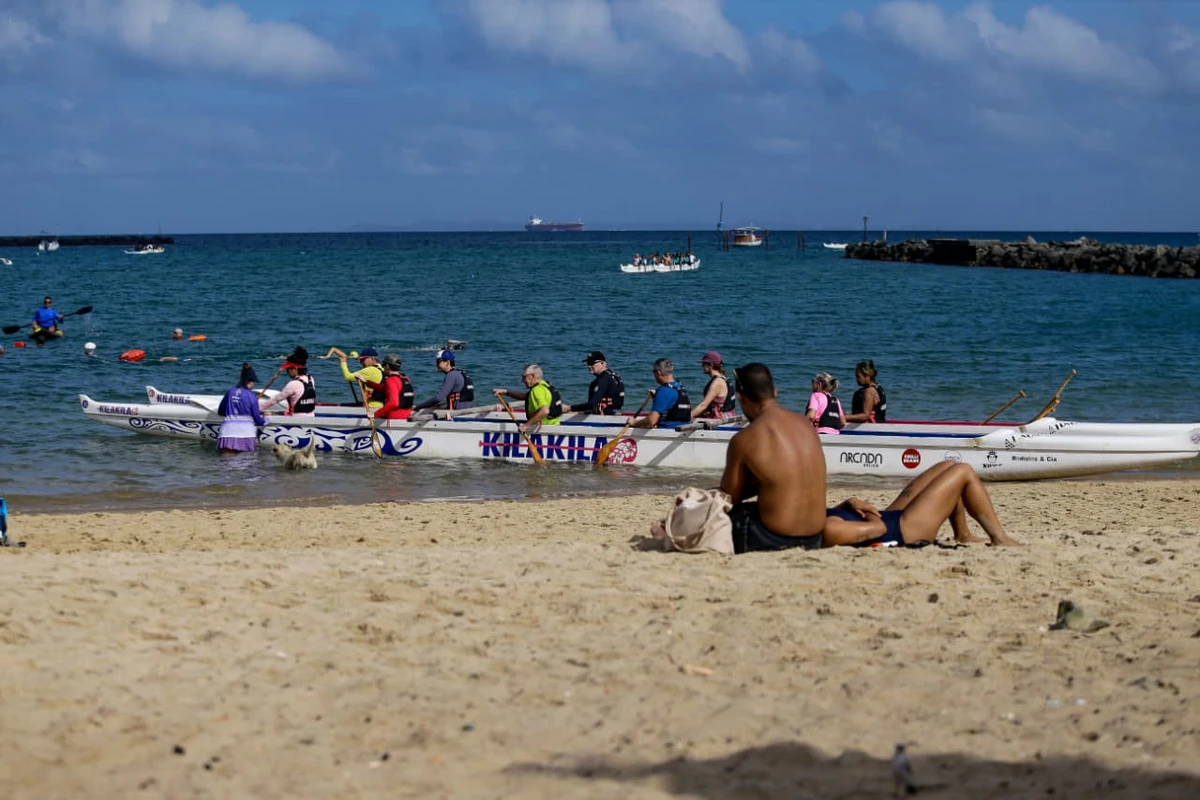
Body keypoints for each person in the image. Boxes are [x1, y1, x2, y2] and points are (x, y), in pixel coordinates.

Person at [720, 363, 827, 553]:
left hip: (771, 538)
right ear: (775, 391)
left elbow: (728, 497)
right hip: (814, 537)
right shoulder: (806, 427)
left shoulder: (745, 438)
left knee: (715, 515)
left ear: (742, 399)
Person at [823, 460, 1021, 547]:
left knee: (948, 465)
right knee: (963, 471)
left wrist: (848, 503)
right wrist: (868, 512)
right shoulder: (828, 529)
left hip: (891, 516)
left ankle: (963, 535)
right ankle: (1000, 538)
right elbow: (877, 528)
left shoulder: (814, 518)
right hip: (904, 530)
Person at [492, 363, 561, 434]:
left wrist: (525, 426)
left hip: (543, 431)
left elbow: (545, 411)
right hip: (554, 426)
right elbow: (526, 397)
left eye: (524, 377)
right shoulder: (545, 385)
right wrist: (506, 392)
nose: (522, 380)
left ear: (532, 376)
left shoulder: (536, 390)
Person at [216, 363, 267, 453]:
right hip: (246, 434)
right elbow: (258, 420)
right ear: (250, 381)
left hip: (227, 433)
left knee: (226, 463)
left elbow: (221, 411)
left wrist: (233, 412)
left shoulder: (230, 392)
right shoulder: (252, 396)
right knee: (246, 463)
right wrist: (266, 419)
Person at [630, 358, 691, 429]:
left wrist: (634, 422)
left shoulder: (664, 390)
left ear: (658, 373)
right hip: (682, 428)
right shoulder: (679, 387)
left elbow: (651, 421)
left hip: (667, 431)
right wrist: (656, 396)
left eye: (654, 372)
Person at [259, 347, 317, 416]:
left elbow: (276, 399)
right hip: (311, 417)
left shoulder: (293, 384)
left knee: (267, 414)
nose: (287, 371)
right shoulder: (311, 379)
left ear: (294, 369)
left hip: (296, 420)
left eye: (288, 369)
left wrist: (258, 408)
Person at [691, 351, 737, 420]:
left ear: (711, 365)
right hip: (729, 414)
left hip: (719, 418)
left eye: (704, 364)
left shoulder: (717, 382)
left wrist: (688, 416)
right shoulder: (725, 378)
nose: (702, 366)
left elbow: (704, 405)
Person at [371, 354, 416, 420]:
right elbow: (385, 389)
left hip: (394, 418)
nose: (383, 368)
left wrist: (375, 414)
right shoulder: (405, 378)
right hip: (406, 416)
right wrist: (367, 383)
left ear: (387, 366)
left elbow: (394, 403)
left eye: (383, 365)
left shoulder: (391, 381)